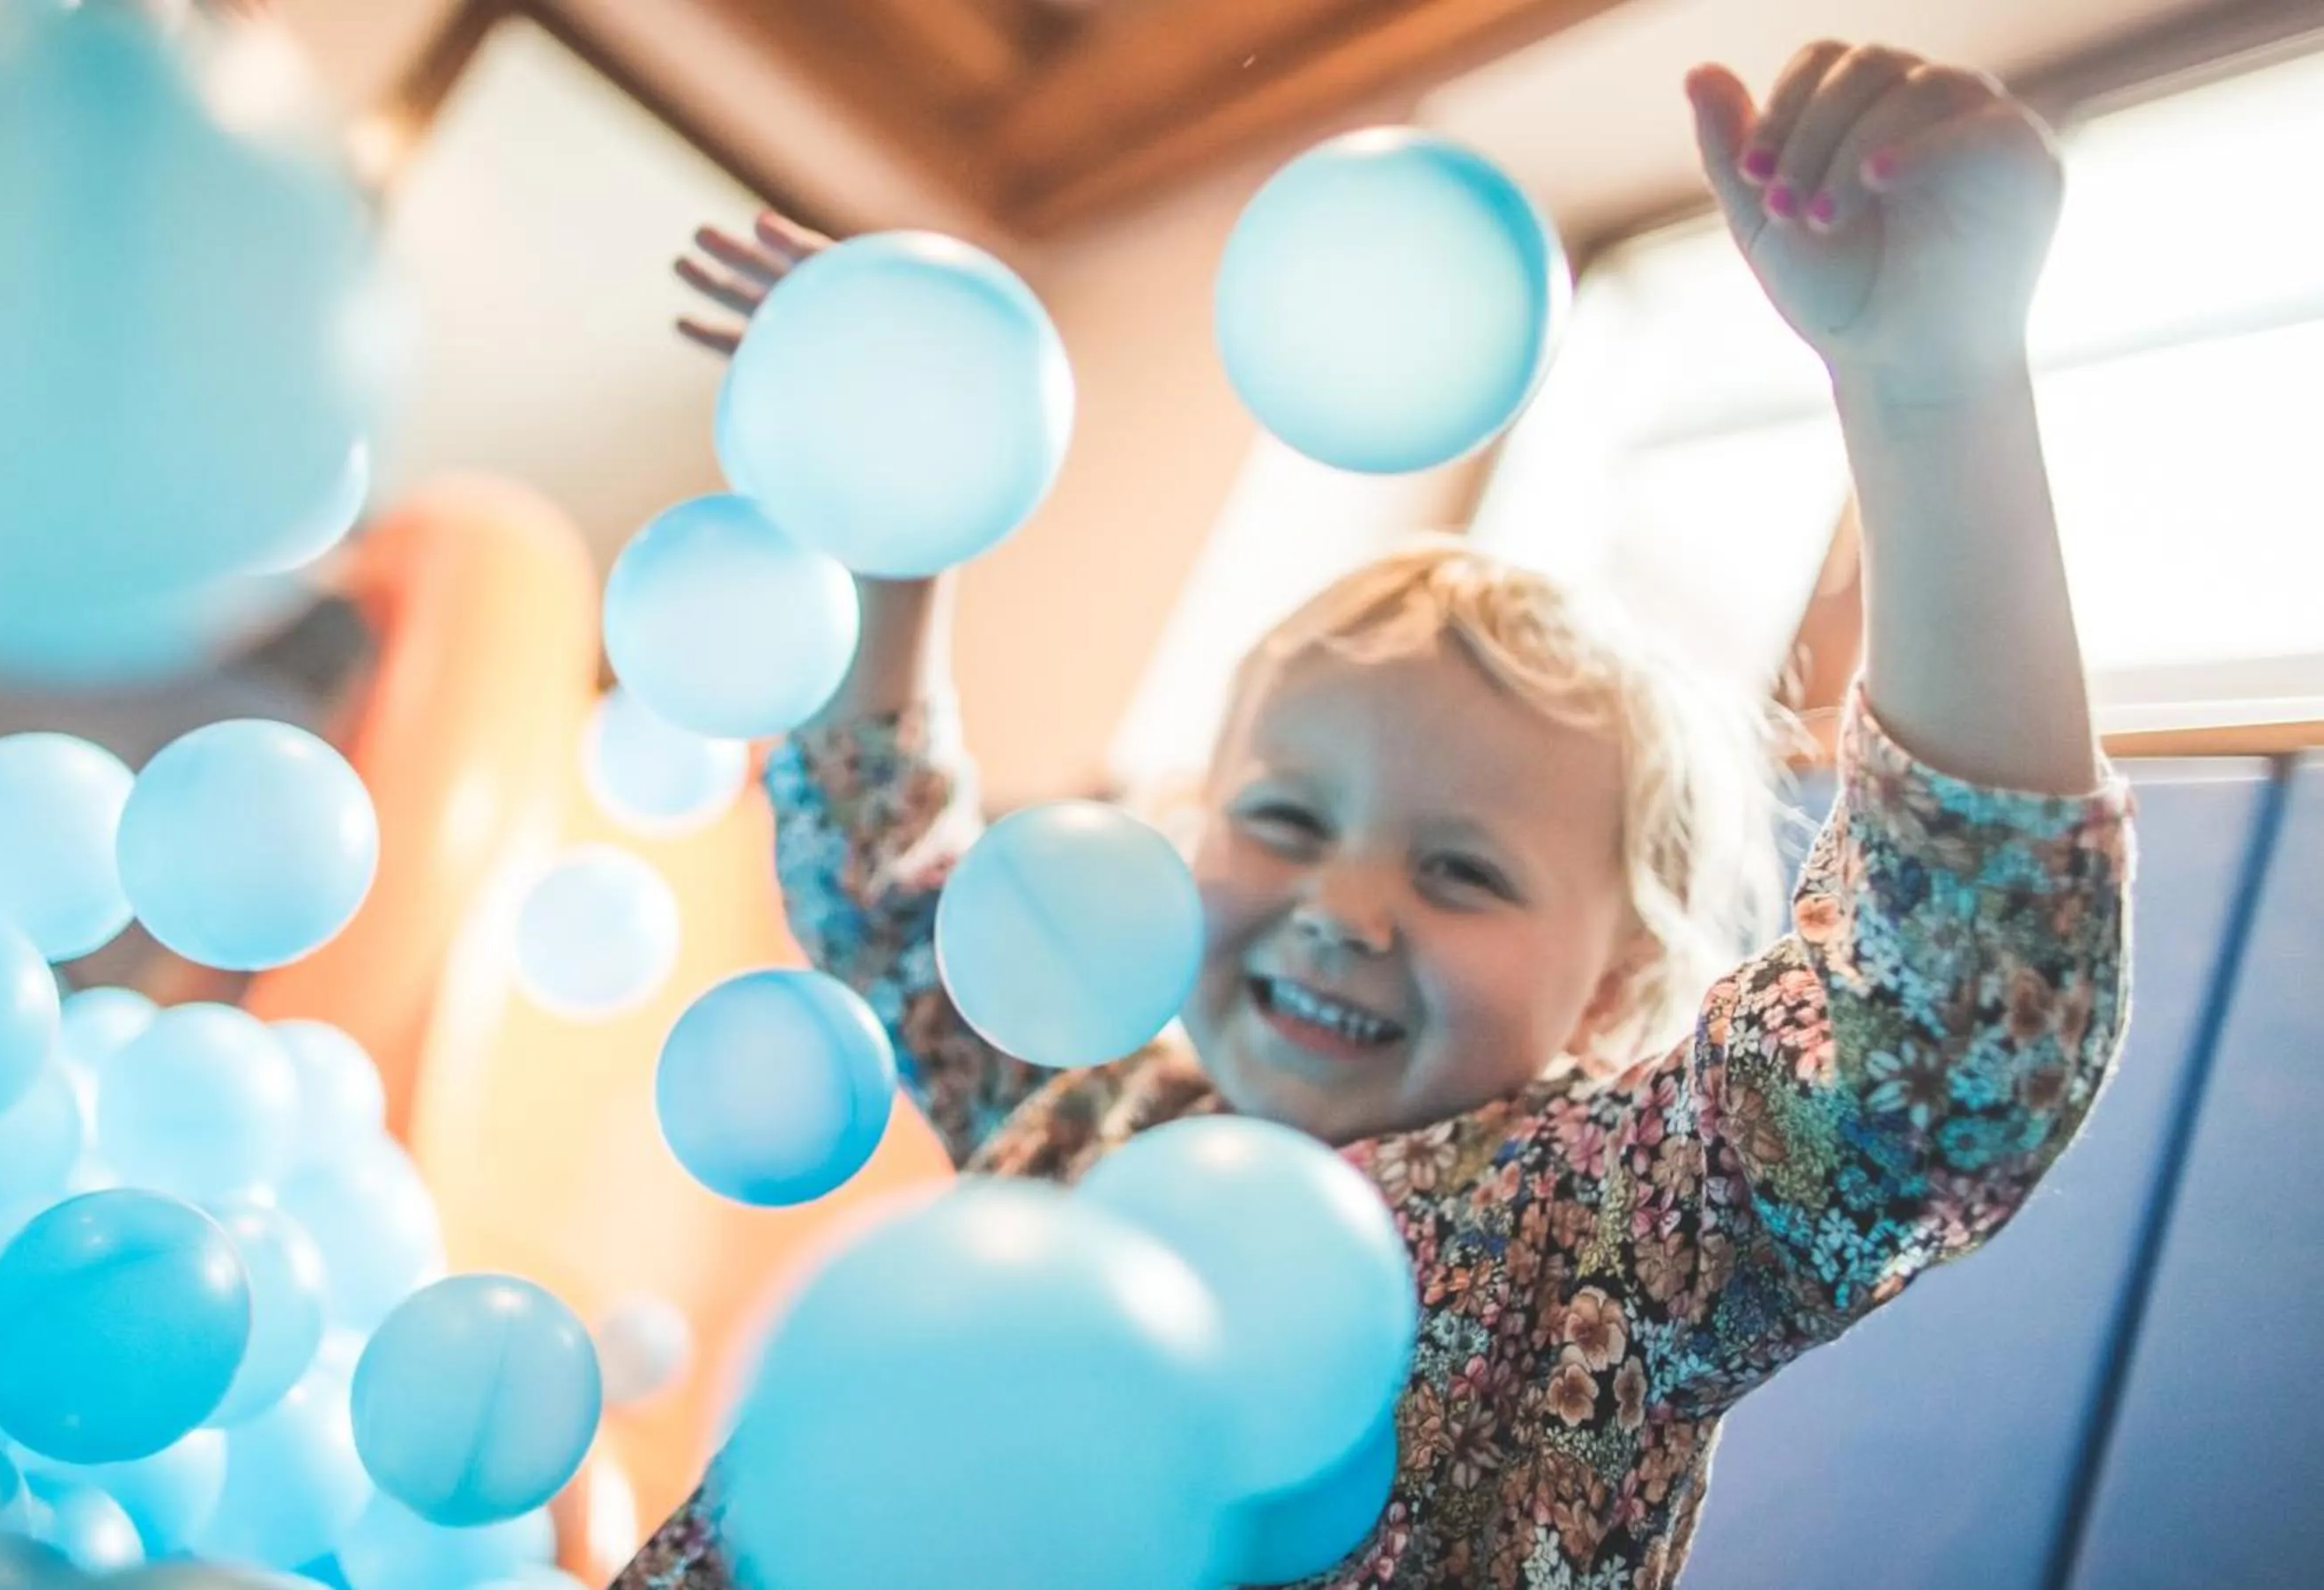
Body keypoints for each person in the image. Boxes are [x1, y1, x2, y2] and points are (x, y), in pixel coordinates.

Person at [625, 40, 2134, 1589]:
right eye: (1283, 819)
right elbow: (885, 889)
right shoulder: (1087, 1084)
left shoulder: (1597, 1233)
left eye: (1464, 869)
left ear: (1616, 986)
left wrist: (1931, 385)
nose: (1343, 906)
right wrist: (896, 506)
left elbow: (1943, 1053)